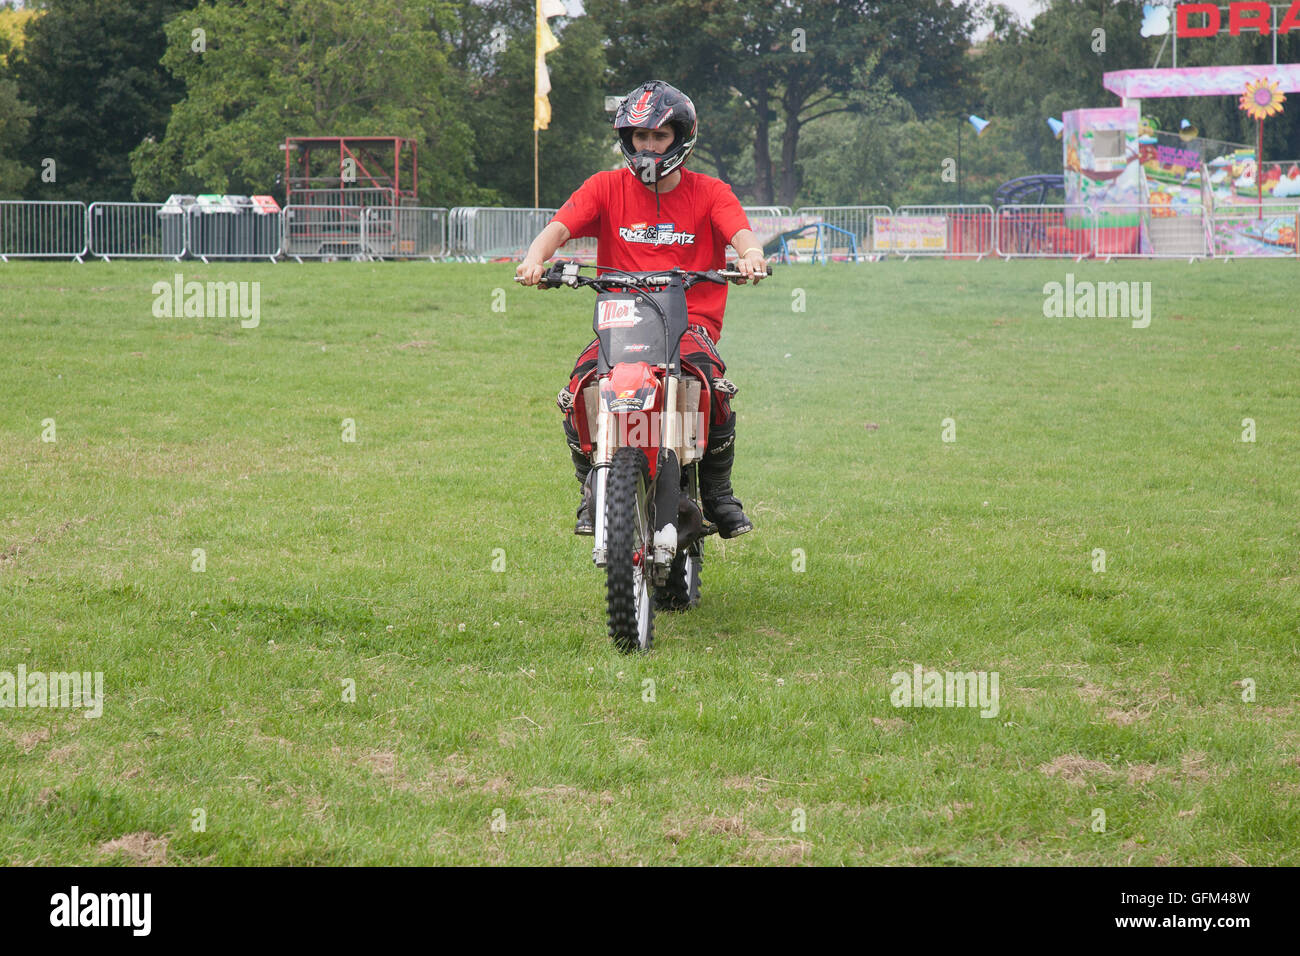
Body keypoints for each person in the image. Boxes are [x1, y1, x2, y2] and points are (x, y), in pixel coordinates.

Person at [516, 79, 766, 539]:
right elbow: (558, 227)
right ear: (627, 140)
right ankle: (593, 487)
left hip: (690, 323)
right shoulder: (605, 187)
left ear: (682, 137)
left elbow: (740, 231)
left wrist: (750, 255)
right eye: (640, 137)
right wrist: (536, 259)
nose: (649, 147)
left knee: (714, 388)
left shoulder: (711, 192)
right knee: (578, 389)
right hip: (622, 319)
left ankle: (718, 493)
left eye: (659, 136)